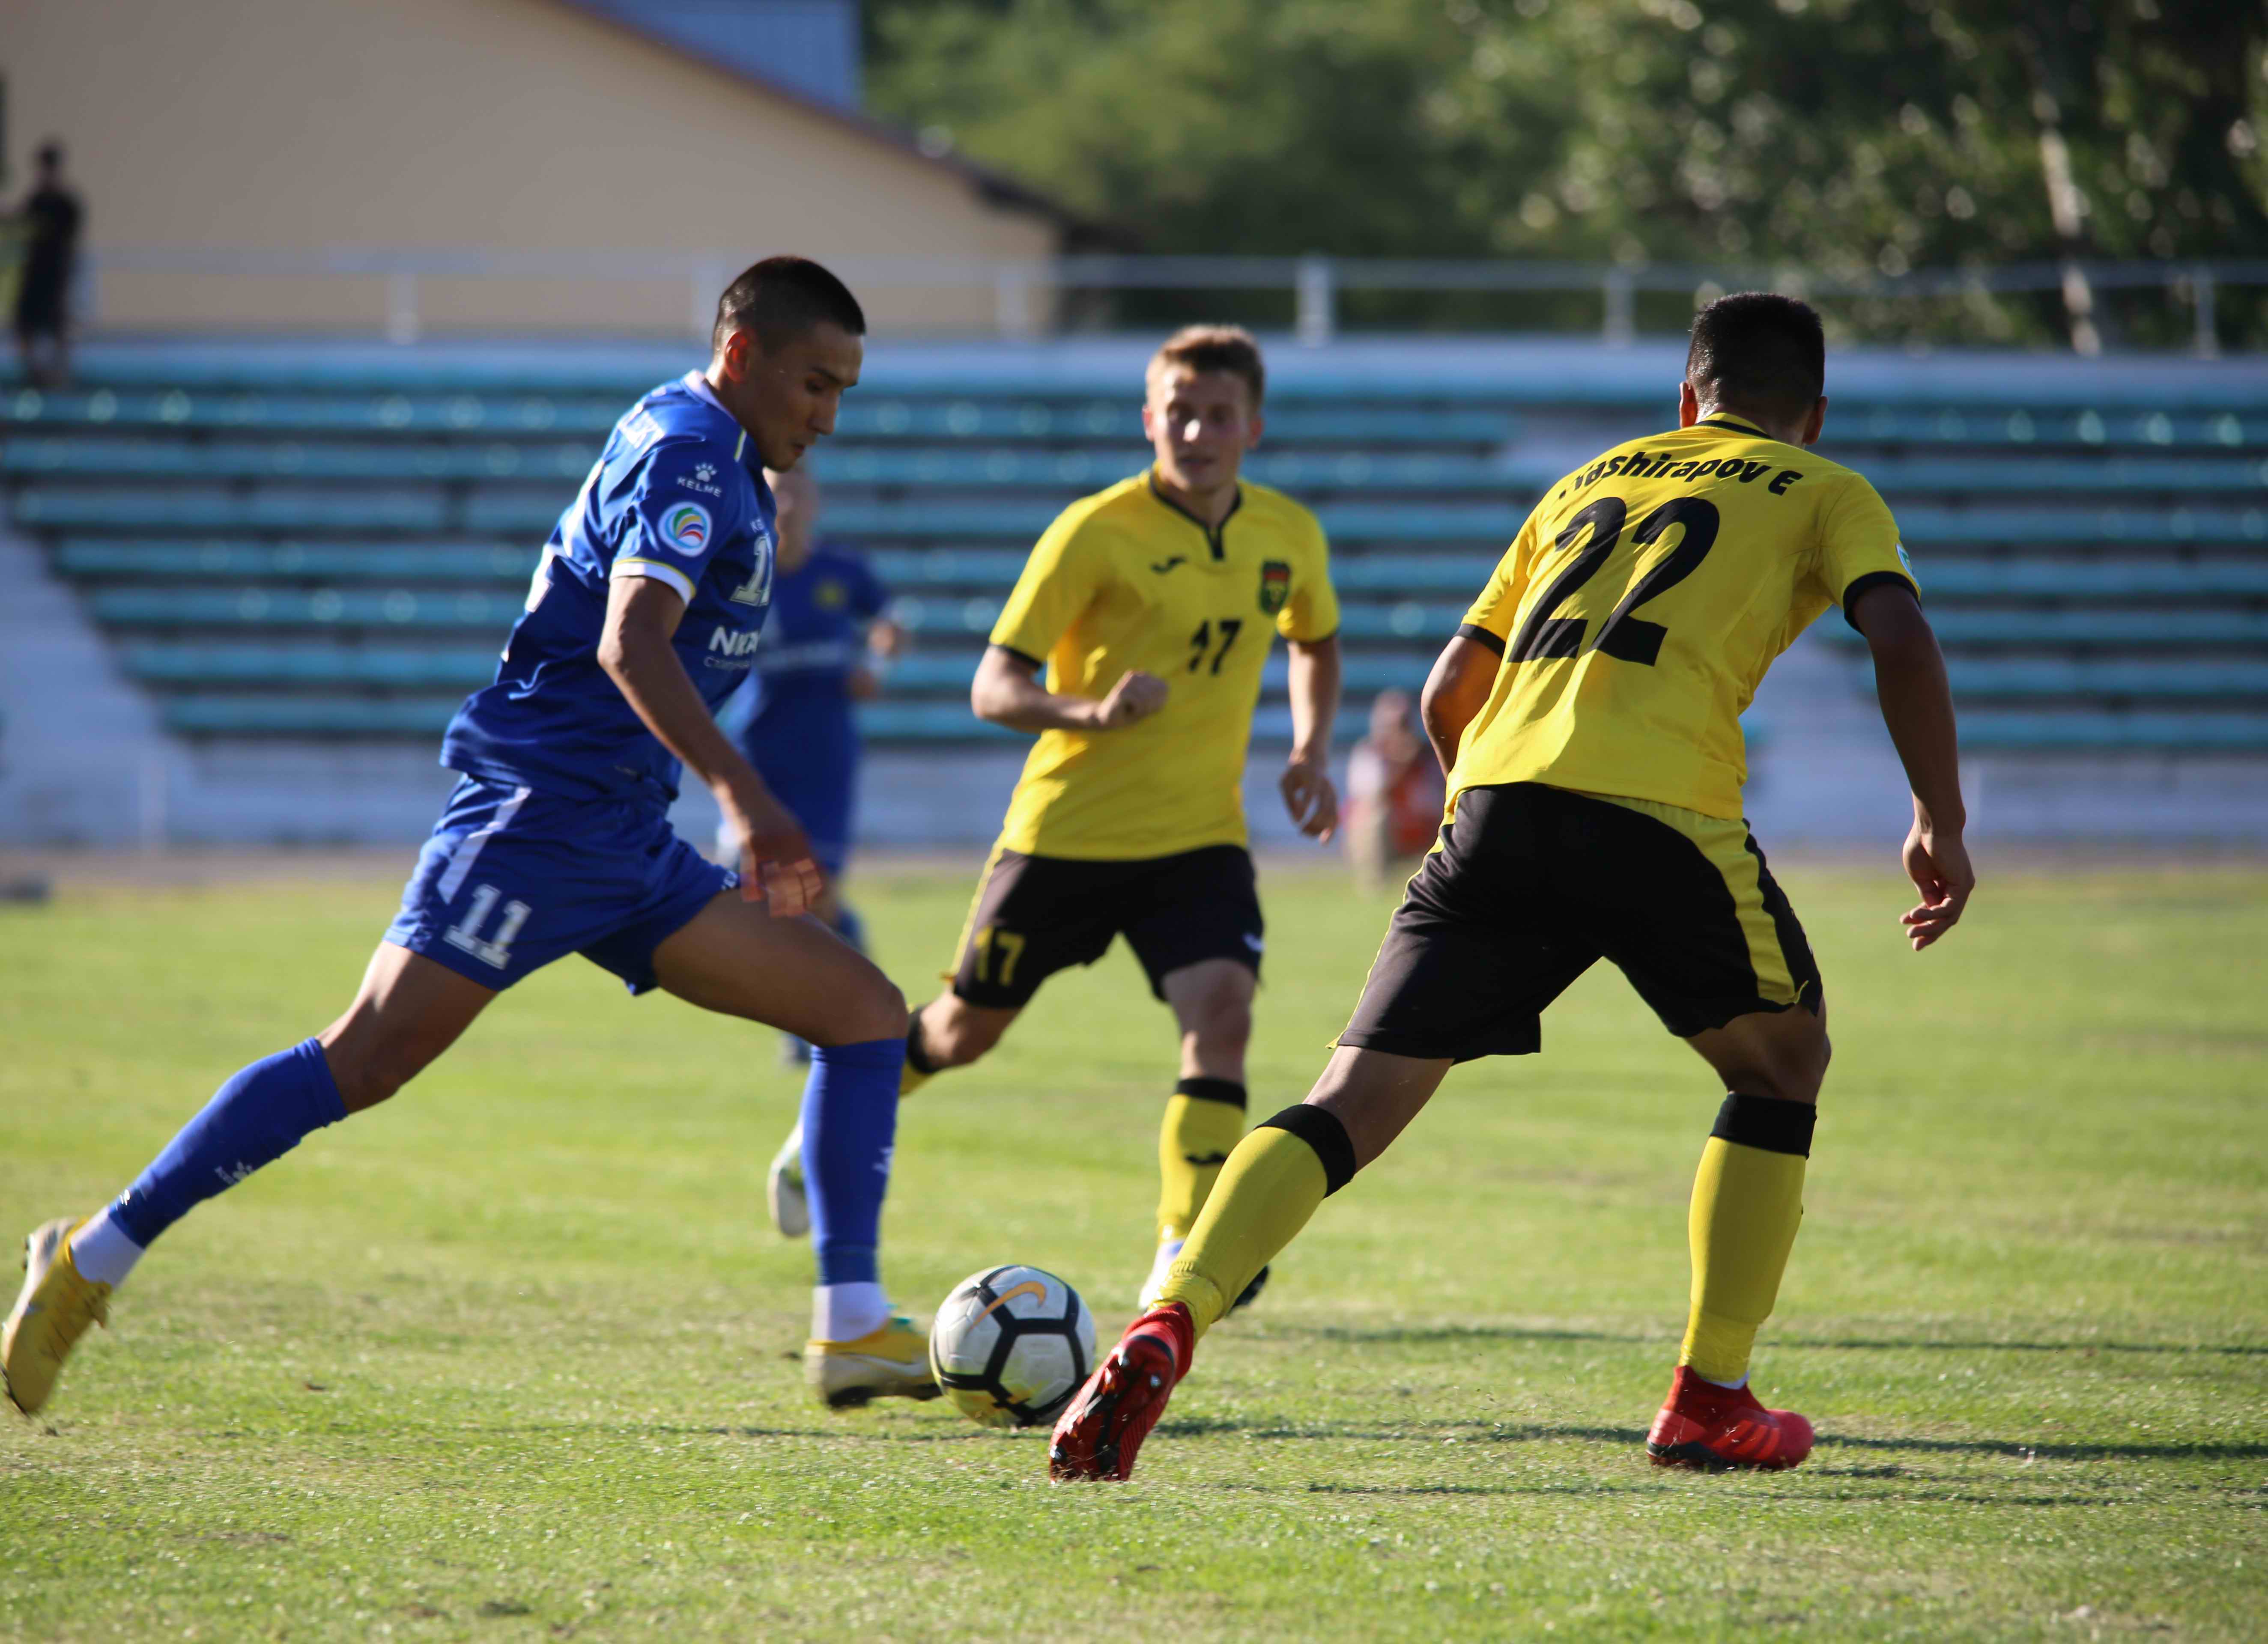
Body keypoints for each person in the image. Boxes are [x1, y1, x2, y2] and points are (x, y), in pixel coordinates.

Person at [1051, 292, 1975, 1482]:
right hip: (1660, 807)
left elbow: (1449, 684)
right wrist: (1937, 818)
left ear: (1685, 400)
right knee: (1782, 1062)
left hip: (1494, 801)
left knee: (1348, 1099)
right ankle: (1708, 1396)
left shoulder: (1588, 480)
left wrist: (1479, 822)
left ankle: (1167, 1319)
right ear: (1814, 414)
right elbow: (1899, 637)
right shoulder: (1827, 489)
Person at [0, 258, 943, 1418]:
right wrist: (746, 798)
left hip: (623, 836)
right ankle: (90, 1255)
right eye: (813, 383)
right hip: (536, 820)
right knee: (366, 1058)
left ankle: (851, 1321)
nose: (828, 416)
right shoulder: (693, 455)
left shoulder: (718, 451)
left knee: (860, 1011)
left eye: (843, 391)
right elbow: (631, 646)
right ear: (742, 354)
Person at [771, 324, 1343, 1306]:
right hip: (1067, 835)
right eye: (1178, 412)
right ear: (1148, 419)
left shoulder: (1287, 534)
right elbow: (992, 686)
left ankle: (1183, 1248)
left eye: (1217, 415)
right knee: (961, 1033)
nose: (1196, 432)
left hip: (1198, 839)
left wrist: (1307, 750)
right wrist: (1090, 713)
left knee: (1222, 1017)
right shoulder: (1095, 531)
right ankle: (824, 1127)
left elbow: (1314, 640)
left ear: (1251, 427)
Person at [718, 465, 904, 1081]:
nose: (791, 505)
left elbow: (891, 623)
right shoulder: (741, 574)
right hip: (759, 757)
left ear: (817, 501)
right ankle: (826, 980)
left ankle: (813, 1014)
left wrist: (878, 666)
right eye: (779, 494)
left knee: (810, 892)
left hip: (826, 756)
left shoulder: (841, 572)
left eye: (799, 492)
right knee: (767, 894)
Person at [1341, 687, 1443, 894]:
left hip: (1422, 827)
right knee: (1377, 815)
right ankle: (1375, 884)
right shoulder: (1370, 752)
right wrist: (1401, 765)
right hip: (1387, 832)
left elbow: (1440, 794)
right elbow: (1370, 796)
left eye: (1404, 724)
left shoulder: (1428, 754)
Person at [12, 143, 83, 386]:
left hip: (56, 275)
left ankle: (59, 375)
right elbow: (23, 227)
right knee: (25, 325)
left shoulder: (66, 204)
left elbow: (70, 241)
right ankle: (34, 374)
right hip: (36, 273)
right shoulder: (37, 200)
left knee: (58, 326)